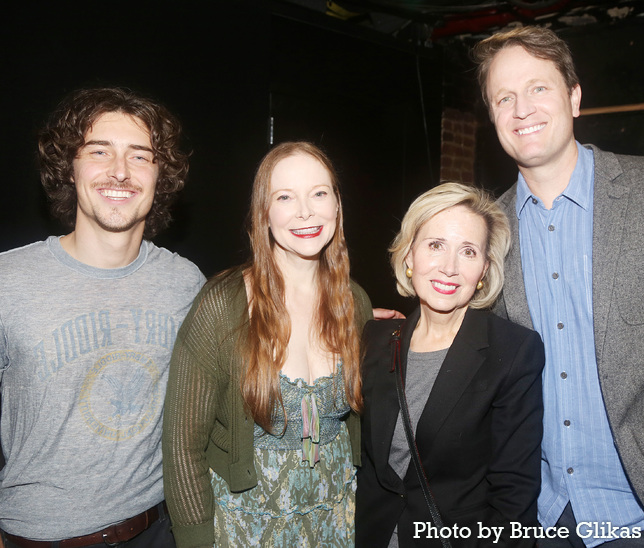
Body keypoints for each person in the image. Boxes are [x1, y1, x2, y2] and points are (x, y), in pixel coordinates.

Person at [473, 26, 644, 548]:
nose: (521, 108)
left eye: (538, 88)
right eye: (503, 97)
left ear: (574, 97)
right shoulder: (488, 234)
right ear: (493, 118)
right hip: (545, 518)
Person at [0, 88, 205, 547]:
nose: (119, 171)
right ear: (68, 170)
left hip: (157, 531)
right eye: (99, 152)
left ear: (160, 176)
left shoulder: (184, 282)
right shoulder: (6, 283)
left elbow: (247, 350)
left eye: (140, 157)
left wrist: (339, 319)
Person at [162, 141, 373, 547]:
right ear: (264, 213)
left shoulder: (355, 303)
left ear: (337, 206)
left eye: (319, 193)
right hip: (247, 526)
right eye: (285, 197)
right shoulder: (223, 304)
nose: (305, 212)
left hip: (336, 520)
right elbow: (181, 447)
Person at [356, 182, 545, 547]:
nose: (449, 268)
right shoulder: (375, 340)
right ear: (410, 254)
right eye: (435, 245)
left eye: (468, 252)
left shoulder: (512, 352)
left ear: (484, 270)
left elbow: (515, 496)